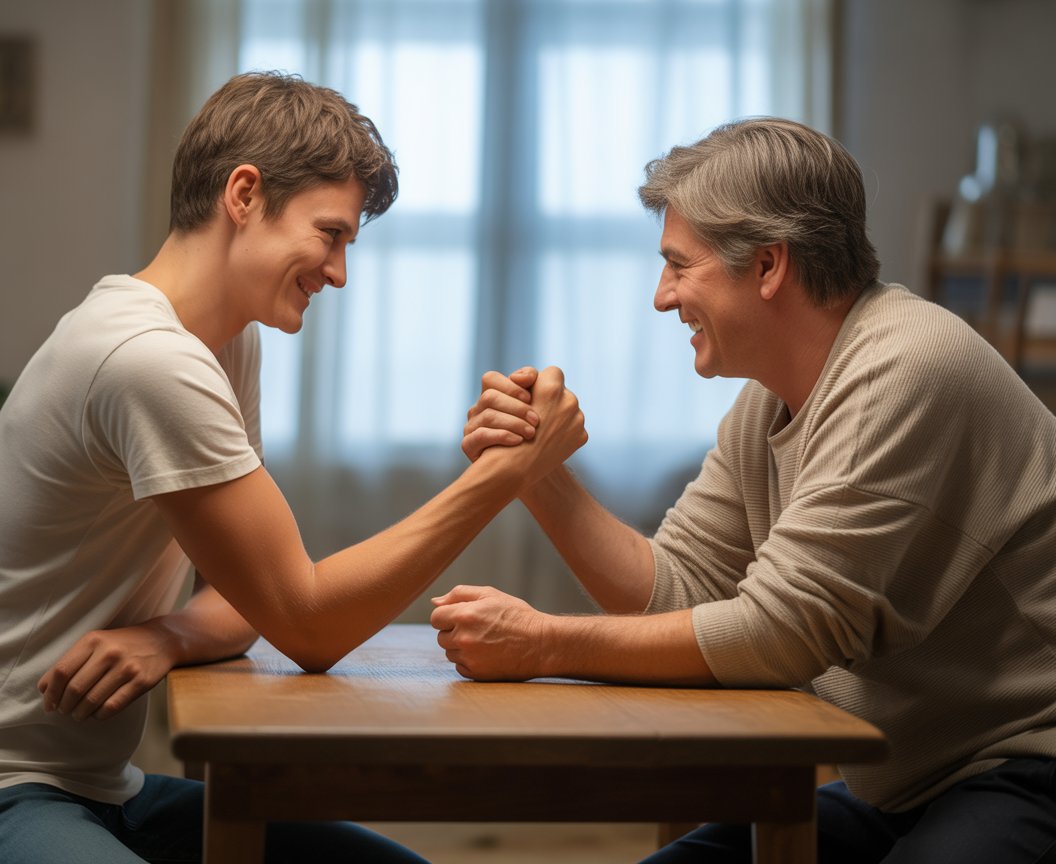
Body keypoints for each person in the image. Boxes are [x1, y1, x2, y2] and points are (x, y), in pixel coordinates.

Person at [0, 71, 587, 864]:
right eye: (330, 235)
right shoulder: (148, 360)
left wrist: (167, 635)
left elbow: (247, 595)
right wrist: (502, 476)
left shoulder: (223, 341)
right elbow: (306, 622)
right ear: (243, 194)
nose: (337, 273)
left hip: (96, 788)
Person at [430, 117, 1056, 863]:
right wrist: (534, 472)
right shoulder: (770, 401)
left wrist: (544, 642)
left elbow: (780, 633)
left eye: (678, 265)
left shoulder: (907, 368)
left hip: (1027, 770)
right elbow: (676, 595)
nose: (663, 298)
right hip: (907, 786)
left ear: (767, 266)